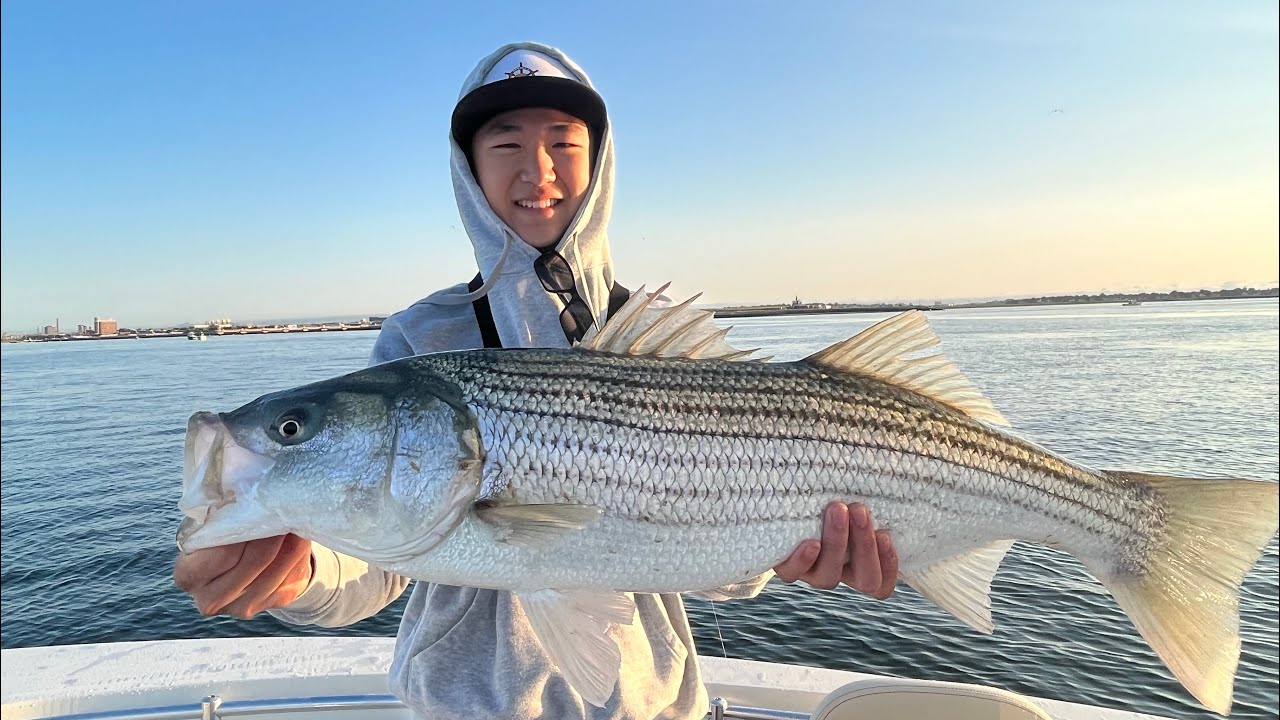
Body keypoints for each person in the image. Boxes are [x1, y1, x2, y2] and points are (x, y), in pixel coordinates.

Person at [173, 41, 899, 719]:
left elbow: (726, 573)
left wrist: (798, 553)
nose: (538, 169)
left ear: (600, 160)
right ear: (469, 167)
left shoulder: (656, 341)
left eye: (563, 142)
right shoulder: (421, 342)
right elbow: (377, 571)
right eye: (507, 143)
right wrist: (298, 577)